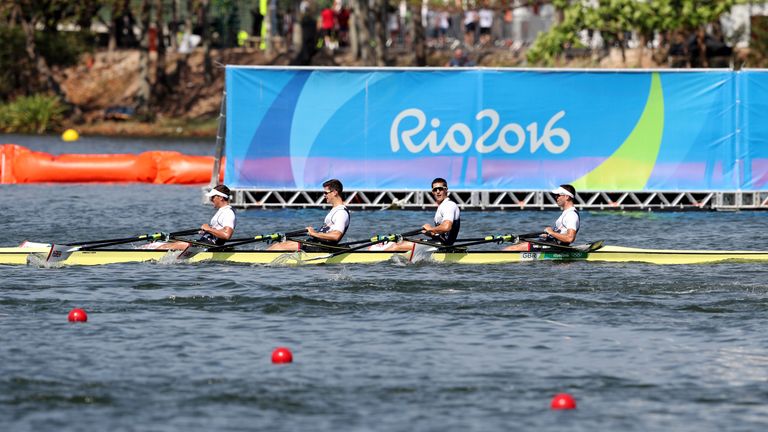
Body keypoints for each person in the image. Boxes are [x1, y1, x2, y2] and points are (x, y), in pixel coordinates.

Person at [373, 178, 460, 252]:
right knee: (401, 242)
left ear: (446, 189)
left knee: (396, 246)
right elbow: (444, 234)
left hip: (442, 245)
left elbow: (446, 227)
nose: (437, 192)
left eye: (440, 189)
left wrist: (431, 229)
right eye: (435, 190)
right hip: (439, 242)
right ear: (432, 192)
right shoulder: (442, 206)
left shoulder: (449, 205)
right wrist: (430, 233)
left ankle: (375, 259)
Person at [267, 179, 350, 251]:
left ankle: (259, 260)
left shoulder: (341, 213)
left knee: (281, 247)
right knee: (278, 245)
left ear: (335, 192)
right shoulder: (335, 210)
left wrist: (314, 233)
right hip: (317, 243)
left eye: (326, 192)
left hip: (323, 247)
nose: (324, 195)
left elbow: (336, 236)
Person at [147, 184, 236, 250]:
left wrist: (209, 229)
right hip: (204, 243)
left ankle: (144, 255)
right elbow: (219, 230)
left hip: (207, 246)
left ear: (221, 198)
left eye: (213, 197)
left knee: (165, 247)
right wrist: (207, 231)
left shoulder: (228, 213)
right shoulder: (222, 211)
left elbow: (227, 235)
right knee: (165, 243)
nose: (211, 199)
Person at [504, 184, 579, 251]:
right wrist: (549, 234)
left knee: (510, 249)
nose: (556, 197)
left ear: (567, 197)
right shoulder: (566, 213)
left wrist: (552, 233)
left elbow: (570, 238)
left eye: (558, 195)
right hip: (550, 243)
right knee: (517, 242)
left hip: (554, 246)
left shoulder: (571, 215)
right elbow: (562, 233)